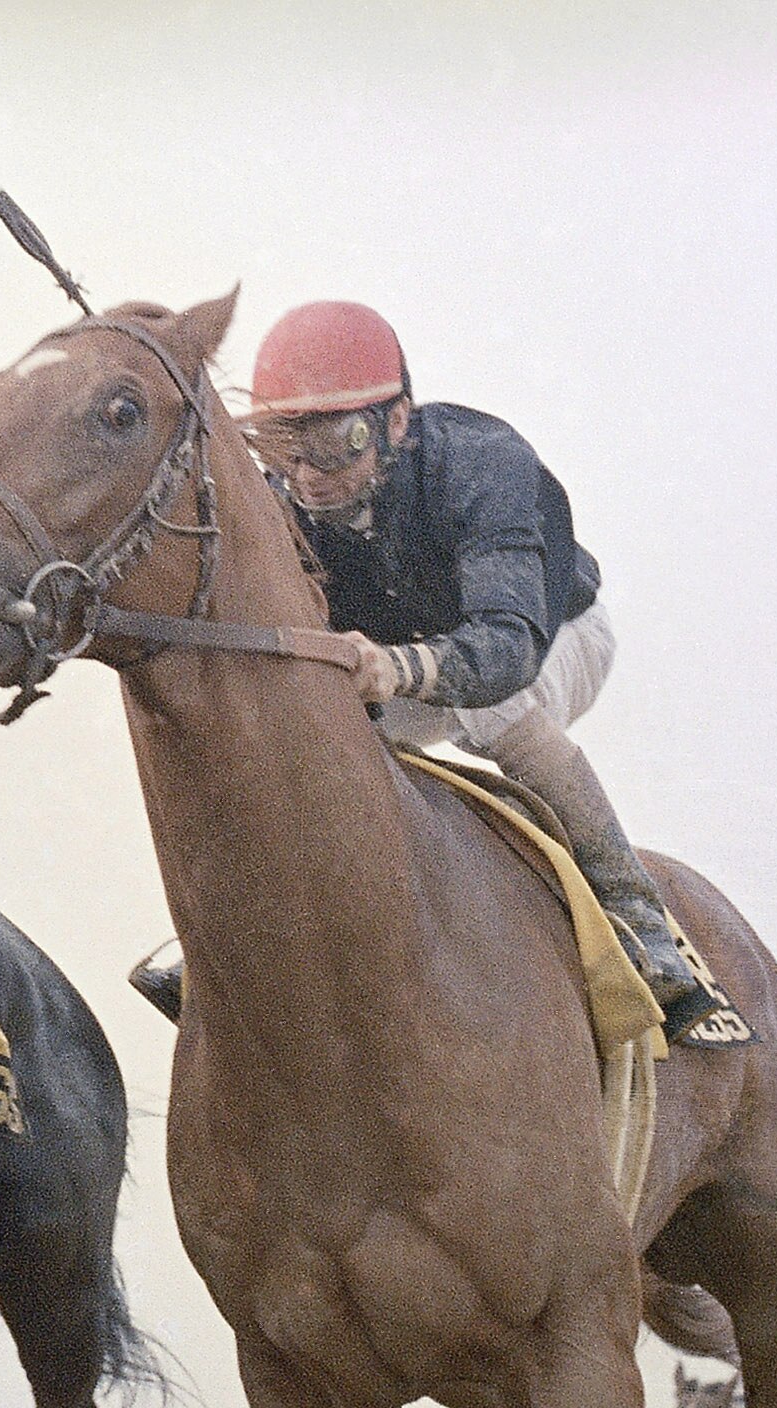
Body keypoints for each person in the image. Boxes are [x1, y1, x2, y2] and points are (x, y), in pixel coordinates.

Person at [172, 299, 712, 1038]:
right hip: (404, 659)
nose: (310, 477)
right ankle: (230, 933)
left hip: (552, 639)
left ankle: (639, 918)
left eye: (337, 444)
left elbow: (506, 649)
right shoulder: (285, 497)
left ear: (397, 421)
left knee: (494, 713)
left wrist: (396, 669)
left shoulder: (484, 465)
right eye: (285, 450)